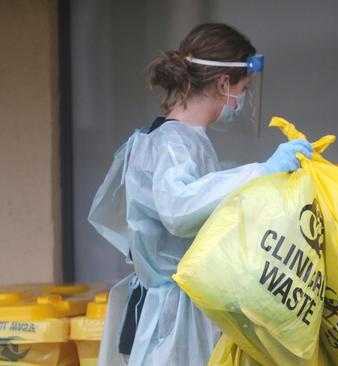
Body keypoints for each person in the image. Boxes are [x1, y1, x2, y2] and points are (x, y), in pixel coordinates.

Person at [88, 23, 313, 366]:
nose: (243, 101)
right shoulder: (171, 143)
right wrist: (261, 172)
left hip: (180, 309)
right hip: (174, 320)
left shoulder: (181, 140)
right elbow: (180, 209)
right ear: (224, 83)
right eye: (244, 89)